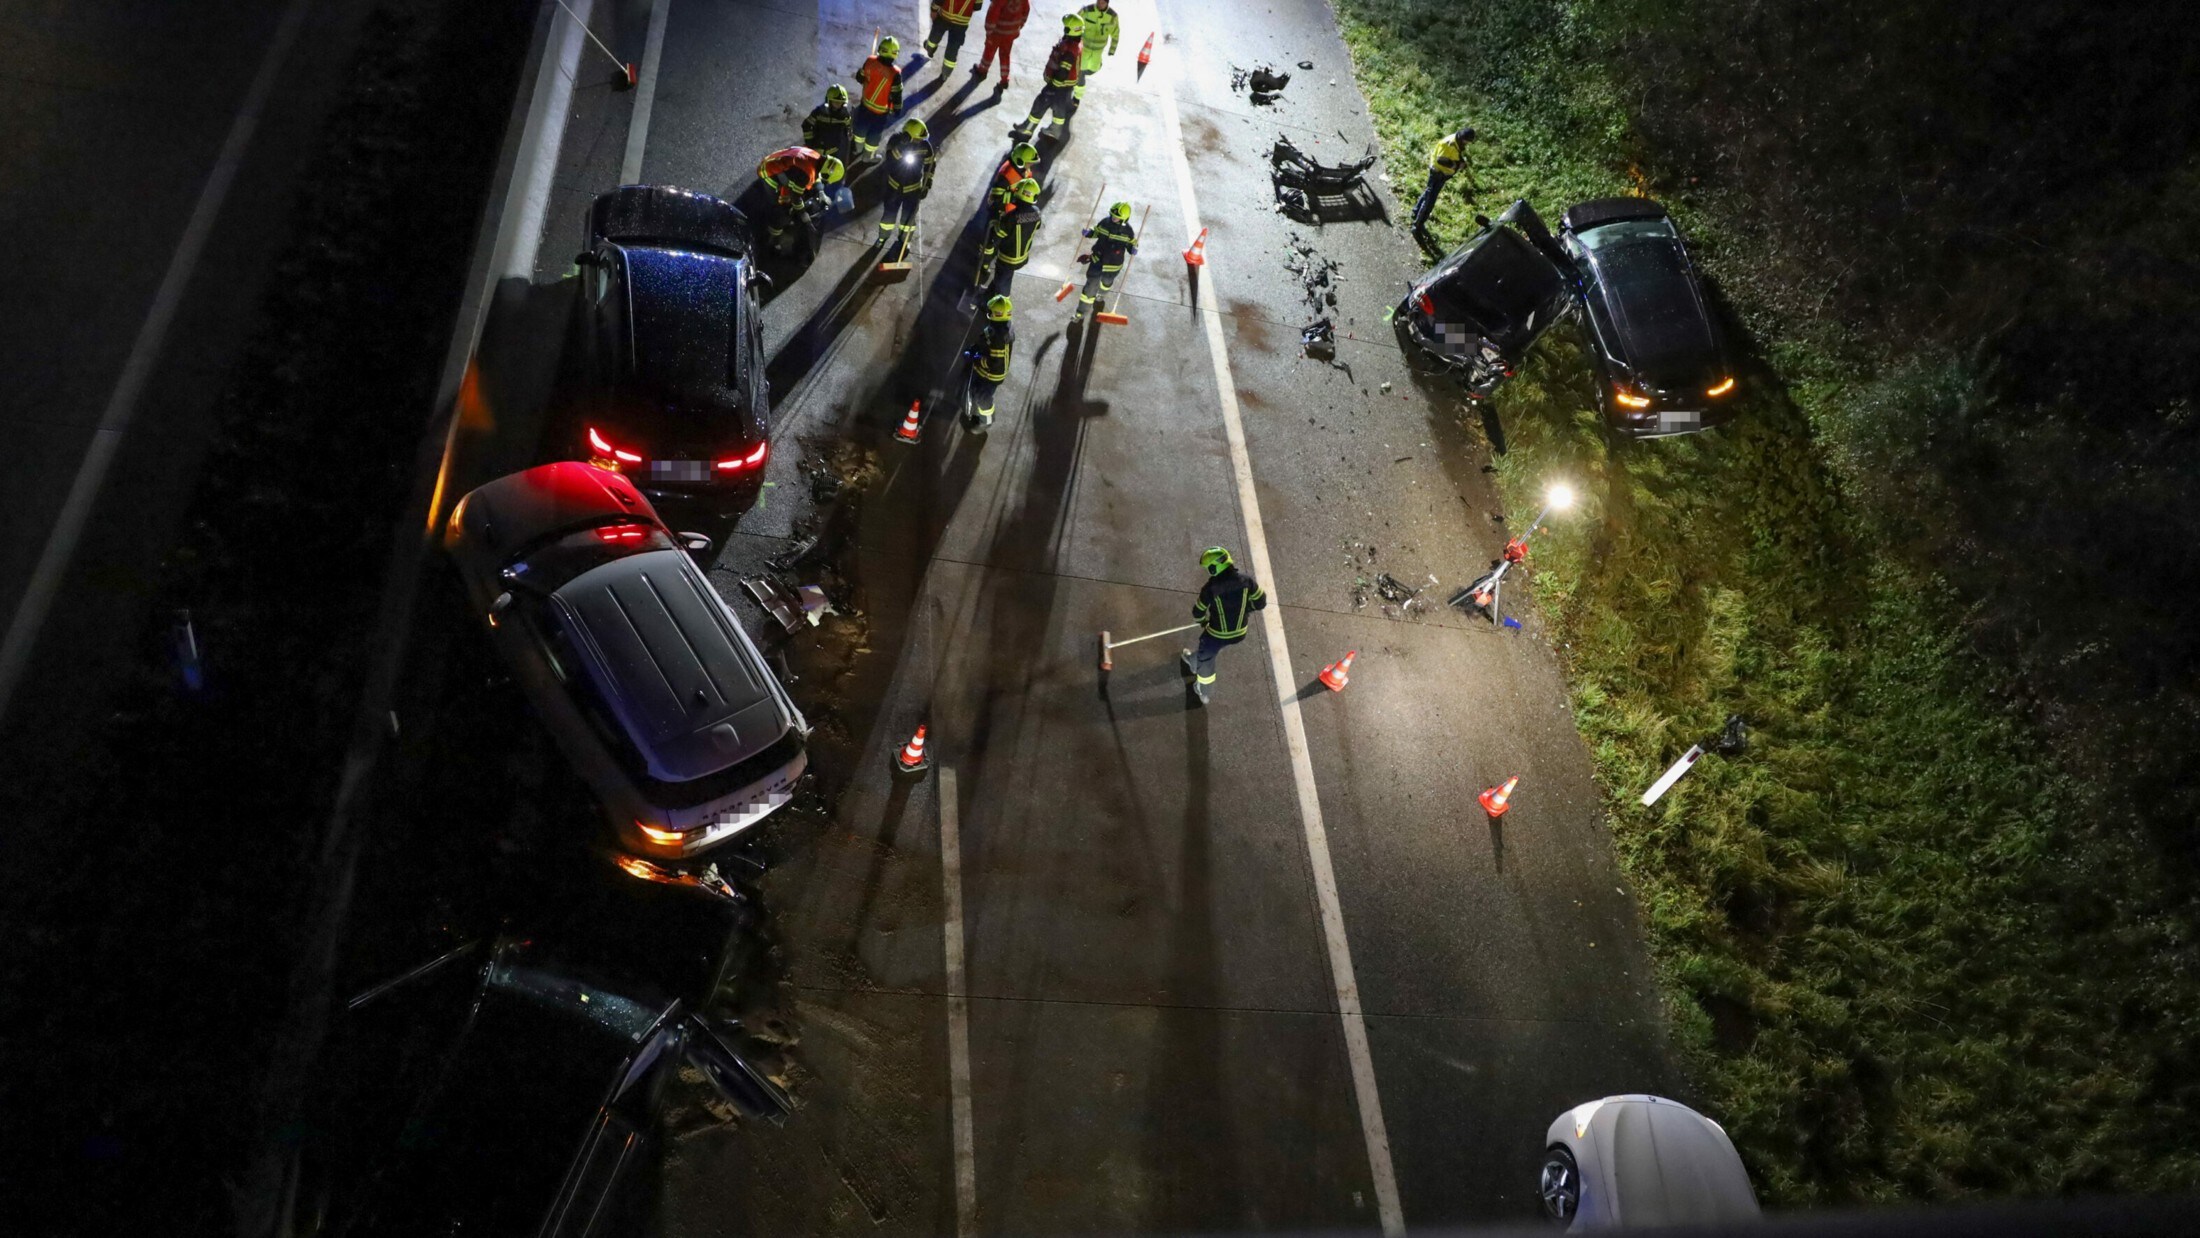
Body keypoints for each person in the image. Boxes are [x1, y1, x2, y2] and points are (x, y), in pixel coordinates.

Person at [1181, 546, 1267, 705]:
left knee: (1207, 660)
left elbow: (1198, 612)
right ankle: (1194, 660)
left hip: (1217, 634)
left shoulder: (1210, 589)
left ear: (1214, 568)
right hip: (1240, 632)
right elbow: (1261, 602)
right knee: (1206, 651)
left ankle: (1203, 691)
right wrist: (1247, 610)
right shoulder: (1246, 581)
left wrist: (1203, 622)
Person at [755, 146, 845, 253]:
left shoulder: (816, 156)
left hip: (774, 162)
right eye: (827, 178)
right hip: (768, 173)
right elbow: (795, 197)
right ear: (827, 172)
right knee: (782, 211)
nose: (824, 180)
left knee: (794, 194)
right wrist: (803, 214)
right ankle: (773, 238)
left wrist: (821, 191)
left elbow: (817, 174)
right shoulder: (807, 172)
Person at [1012, 14, 1083, 142]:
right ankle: (1055, 131)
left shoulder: (1070, 50)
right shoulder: (1074, 43)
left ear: (1071, 30)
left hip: (1058, 85)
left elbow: (1063, 71)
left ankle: (1027, 129)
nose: (1064, 29)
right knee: (1059, 109)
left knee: (1040, 104)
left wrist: (1052, 87)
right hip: (1065, 87)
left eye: (1066, 27)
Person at [1072, 200, 1137, 322]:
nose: (1113, 218)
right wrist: (1090, 232)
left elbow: (1131, 243)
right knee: (1090, 288)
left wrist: (1133, 248)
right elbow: (1097, 231)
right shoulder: (1105, 222)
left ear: (1124, 219)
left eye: (1116, 217)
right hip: (1097, 260)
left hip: (1113, 265)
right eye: (1112, 215)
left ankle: (1102, 293)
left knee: (1107, 282)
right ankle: (1080, 312)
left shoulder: (1128, 231)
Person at [976, 177, 1041, 296]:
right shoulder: (1036, 213)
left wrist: (996, 224)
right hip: (1022, 256)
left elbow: (998, 234)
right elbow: (1036, 226)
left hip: (1007, 257)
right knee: (1002, 277)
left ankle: (1001, 303)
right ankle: (989, 295)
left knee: (1003, 282)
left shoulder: (1011, 217)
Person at [879, 118, 937, 251]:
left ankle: (905, 241)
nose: (920, 141)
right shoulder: (895, 141)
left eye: (921, 139)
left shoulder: (925, 146)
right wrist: (901, 147)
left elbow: (930, 166)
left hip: (914, 189)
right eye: (917, 139)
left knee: (908, 220)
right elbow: (890, 161)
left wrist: (927, 185)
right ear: (907, 136)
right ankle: (882, 237)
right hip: (894, 187)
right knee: (889, 215)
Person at [965, 294, 1014, 433]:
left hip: (991, 374)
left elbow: (994, 363)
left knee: (983, 396)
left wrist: (976, 357)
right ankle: (976, 411)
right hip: (989, 372)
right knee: (976, 391)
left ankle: (986, 421)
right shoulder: (1003, 327)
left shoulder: (997, 336)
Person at [1412, 124, 1476, 231]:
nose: (1467, 144)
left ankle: (1415, 212)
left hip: (1442, 174)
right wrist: (1456, 165)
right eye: (1467, 142)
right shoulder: (1449, 143)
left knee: (1428, 193)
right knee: (1430, 200)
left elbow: (1455, 154)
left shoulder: (1457, 141)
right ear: (1464, 139)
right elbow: (1440, 160)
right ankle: (1418, 225)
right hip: (1438, 173)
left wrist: (1461, 162)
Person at [854, 37, 905, 161]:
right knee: (874, 134)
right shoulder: (895, 73)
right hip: (880, 112)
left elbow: (859, 78)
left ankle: (857, 148)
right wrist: (897, 109)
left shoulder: (870, 61)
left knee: (860, 127)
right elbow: (896, 94)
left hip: (865, 104)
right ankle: (868, 157)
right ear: (895, 54)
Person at [1071, 0, 1119, 105]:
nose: (1100, 4)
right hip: (1083, 49)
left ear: (1107, 3)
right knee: (1080, 73)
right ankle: (1077, 97)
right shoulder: (1086, 11)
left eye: (1103, 2)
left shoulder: (1112, 16)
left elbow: (1115, 34)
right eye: (1099, 1)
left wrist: (1112, 49)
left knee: (1093, 70)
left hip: (1097, 52)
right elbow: (1074, 25)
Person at [974, 0, 1030, 88]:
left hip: (997, 31)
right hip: (1011, 32)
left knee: (989, 51)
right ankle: (1004, 79)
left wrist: (989, 32)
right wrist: (1020, 25)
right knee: (1005, 55)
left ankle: (982, 70)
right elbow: (1026, 10)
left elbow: (992, 14)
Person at [921, 0, 981, 72]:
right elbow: (977, 7)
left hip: (944, 17)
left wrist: (933, 10)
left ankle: (929, 50)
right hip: (962, 23)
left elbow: (938, 1)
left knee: (934, 37)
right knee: (953, 48)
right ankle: (946, 73)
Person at [803, 84, 855, 167]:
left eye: (840, 103)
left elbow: (848, 129)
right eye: (836, 102)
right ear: (829, 101)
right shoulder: (819, 113)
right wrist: (809, 142)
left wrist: (851, 139)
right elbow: (806, 125)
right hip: (816, 149)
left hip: (833, 151)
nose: (838, 105)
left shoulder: (845, 116)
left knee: (829, 171)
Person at [986, 142, 1040, 211]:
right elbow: (993, 202)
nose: (1031, 165)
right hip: (1006, 216)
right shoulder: (1005, 176)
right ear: (1020, 162)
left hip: (1017, 211)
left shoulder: (1024, 169)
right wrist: (1017, 197)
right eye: (1029, 163)